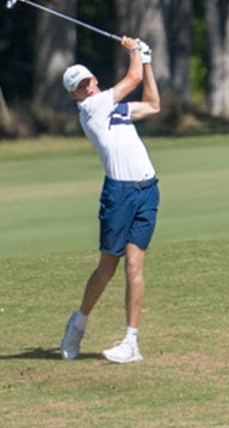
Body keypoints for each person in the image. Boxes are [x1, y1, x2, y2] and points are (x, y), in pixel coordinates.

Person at [59, 36, 160, 364]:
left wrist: (146, 60)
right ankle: (78, 322)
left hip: (147, 189)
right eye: (79, 87)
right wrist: (134, 52)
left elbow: (153, 104)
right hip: (118, 195)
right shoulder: (91, 109)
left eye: (88, 81)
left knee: (134, 263)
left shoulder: (115, 108)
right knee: (108, 267)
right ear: (74, 96)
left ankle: (132, 342)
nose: (86, 88)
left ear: (95, 80)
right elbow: (132, 80)